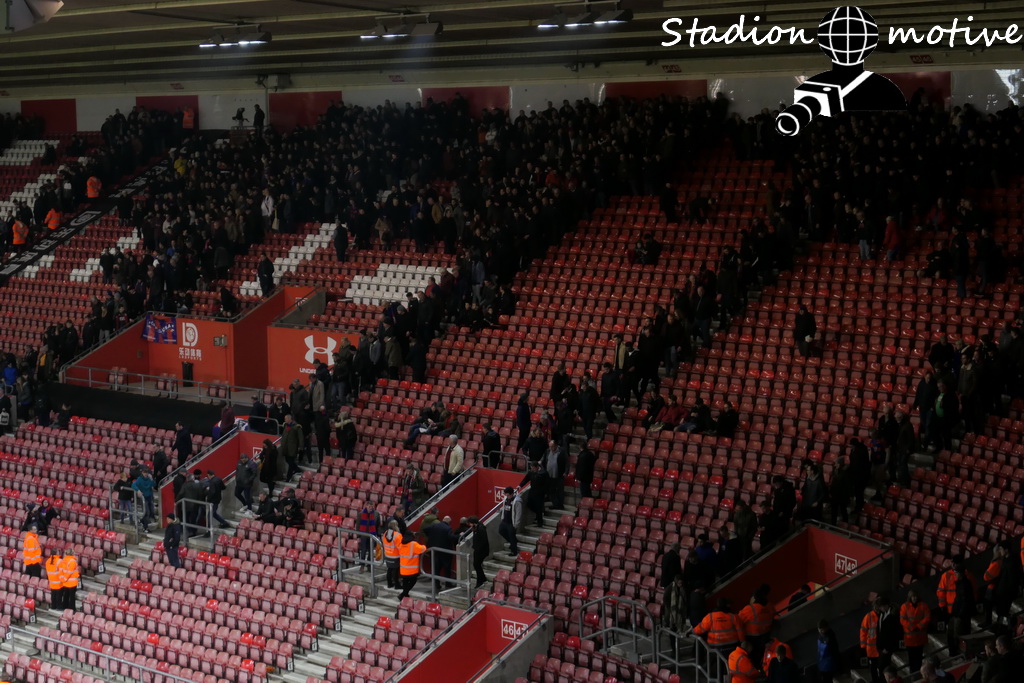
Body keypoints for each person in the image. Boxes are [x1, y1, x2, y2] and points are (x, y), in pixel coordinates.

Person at [738, 584, 774, 662]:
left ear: (754, 598)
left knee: (752, 659)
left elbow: (738, 620)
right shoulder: (769, 607)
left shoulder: (750, 609)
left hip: (752, 640)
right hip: (765, 637)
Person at [900, 589, 930, 673]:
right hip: (910, 638)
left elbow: (927, 617)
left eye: (915, 596)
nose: (914, 598)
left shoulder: (923, 605)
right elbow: (902, 620)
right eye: (913, 596)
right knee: (911, 659)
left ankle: (919, 673)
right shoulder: (904, 606)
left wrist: (919, 626)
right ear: (910, 597)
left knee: (919, 657)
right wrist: (913, 627)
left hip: (920, 637)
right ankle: (913, 674)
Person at [398, 533, 427, 599]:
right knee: (413, 581)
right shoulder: (413, 544)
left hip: (403, 569)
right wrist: (424, 545)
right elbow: (423, 549)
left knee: (405, 581)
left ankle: (405, 595)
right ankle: (403, 594)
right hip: (411, 569)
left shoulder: (401, 544)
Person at [463, 516, 490, 588]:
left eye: (470, 523)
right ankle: (483, 579)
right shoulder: (476, 527)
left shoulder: (481, 528)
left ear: (473, 522)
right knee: (476, 565)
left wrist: (478, 548)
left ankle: (480, 582)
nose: (469, 525)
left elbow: (483, 540)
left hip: (481, 550)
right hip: (478, 549)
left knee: (476, 565)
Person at [356, 500, 380, 572]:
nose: (371, 508)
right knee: (363, 550)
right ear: (366, 506)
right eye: (369, 506)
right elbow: (358, 526)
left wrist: (377, 535)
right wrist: (358, 536)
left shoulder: (376, 514)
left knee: (371, 551)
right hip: (363, 535)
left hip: (372, 535)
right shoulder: (361, 514)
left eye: (372, 507)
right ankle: (362, 565)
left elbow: (378, 525)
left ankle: (369, 565)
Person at [381, 520, 404, 590]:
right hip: (395, 555)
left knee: (389, 569)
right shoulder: (397, 535)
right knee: (395, 571)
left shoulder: (385, 533)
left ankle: (389, 584)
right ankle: (397, 585)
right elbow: (400, 546)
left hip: (387, 555)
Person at [281, 414, 304, 481]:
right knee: (287, 460)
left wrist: (301, 446)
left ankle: (289, 477)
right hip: (286, 448)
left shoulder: (297, 427)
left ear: (290, 419)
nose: (285, 420)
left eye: (286, 418)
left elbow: (301, 437)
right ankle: (297, 469)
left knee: (291, 463)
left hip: (292, 448)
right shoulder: (285, 425)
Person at [817, 619, 840, 683]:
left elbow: (834, 651)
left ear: (826, 628)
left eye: (822, 629)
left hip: (828, 665)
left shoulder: (830, 637)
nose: (820, 631)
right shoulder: (820, 636)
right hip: (822, 664)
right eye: (819, 629)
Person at [58, 548, 79, 612]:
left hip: (65, 582)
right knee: (72, 597)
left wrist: (62, 579)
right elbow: (70, 572)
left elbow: (60, 570)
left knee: (66, 595)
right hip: (72, 582)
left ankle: (65, 607)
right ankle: (72, 609)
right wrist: (65, 579)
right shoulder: (72, 561)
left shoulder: (63, 561)